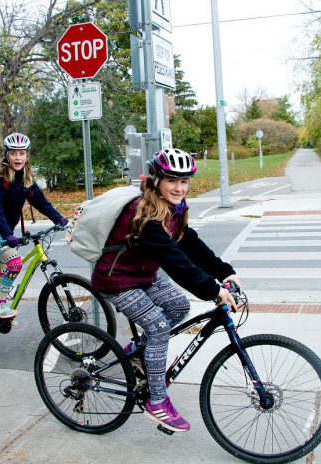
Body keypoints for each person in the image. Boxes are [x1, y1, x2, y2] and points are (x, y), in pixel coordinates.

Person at [91, 148, 240, 433]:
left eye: (184, 181)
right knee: (158, 326)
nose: (179, 187)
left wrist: (224, 271)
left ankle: (137, 352)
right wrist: (213, 290)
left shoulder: (173, 209)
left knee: (180, 307)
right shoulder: (145, 215)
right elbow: (177, 264)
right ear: (157, 180)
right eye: (172, 180)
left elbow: (189, 243)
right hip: (116, 278)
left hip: (143, 273)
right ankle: (156, 402)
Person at [0, 132, 68, 318]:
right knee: (15, 263)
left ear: (27, 156)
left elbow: (40, 201)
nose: (18, 157)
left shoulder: (26, 178)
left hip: (6, 232)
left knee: (1, 274)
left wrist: (58, 218)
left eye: (22, 153)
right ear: (7, 155)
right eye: (13, 153)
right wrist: (7, 234)